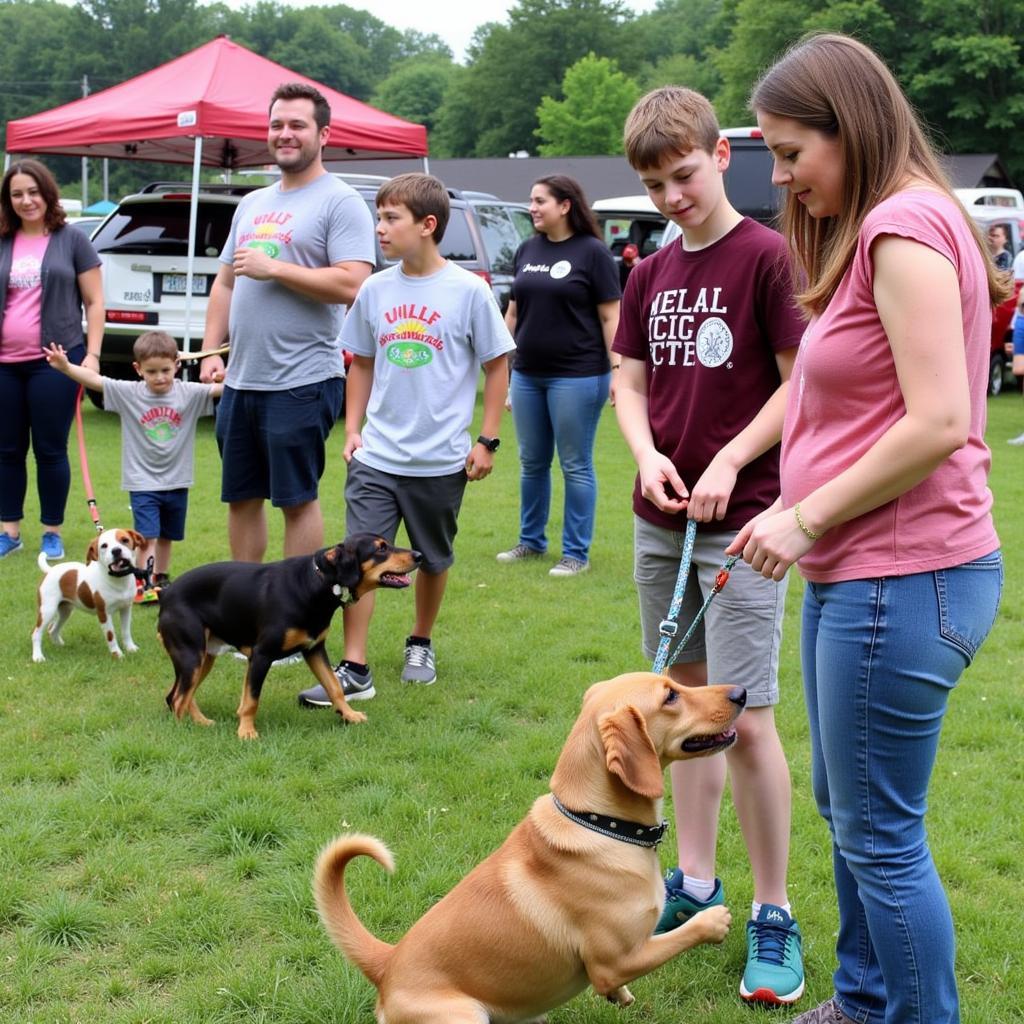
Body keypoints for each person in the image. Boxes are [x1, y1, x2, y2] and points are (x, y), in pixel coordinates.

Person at [731, 34, 1005, 1024]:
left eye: (793, 151)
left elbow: (937, 420)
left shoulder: (901, 228)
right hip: (863, 574)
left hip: (904, 577)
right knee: (847, 815)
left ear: (850, 129)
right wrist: (786, 501)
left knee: (880, 835)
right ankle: (859, 1003)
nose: (781, 175)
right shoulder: (882, 224)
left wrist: (802, 513)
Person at [612, 86, 806, 1007]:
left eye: (683, 175)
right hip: (665, 524)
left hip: (748, 523)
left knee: (746, 717)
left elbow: (798, 384)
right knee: (683, 718)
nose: (672, 198)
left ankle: (773, 910)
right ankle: (692, 883)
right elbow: (629, 381)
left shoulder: (767, 257)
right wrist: (648, 456)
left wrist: (730, 460)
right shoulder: (650, 272)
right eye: (654, 185)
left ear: (722, 156)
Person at [297, 173, 514, 707]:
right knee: (355, 560)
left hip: (440, 461)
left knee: (433, 558)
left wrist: (487, 440)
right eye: (379, 217)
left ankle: (421, 640)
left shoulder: (468, 291)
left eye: (391, 218)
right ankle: (354, 667)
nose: (380, 229)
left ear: (427, 224)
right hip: (377, 457)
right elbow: (362, 364)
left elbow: (497, 365)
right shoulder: (375, 289)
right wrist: (351, 430)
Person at [198, 81, 375, 566]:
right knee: (241, 497)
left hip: (302, 379)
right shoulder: (252, 204)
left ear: (324, 134)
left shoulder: (341, 202)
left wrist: (275, 268)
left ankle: (295, 616)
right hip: (241, 381)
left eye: (297, 124)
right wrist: (212, 350)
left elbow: (353, 284)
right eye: (277, 124)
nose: (285, 133)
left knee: (296, 499)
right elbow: (226, 285)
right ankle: (247, 613)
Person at [496, 175, 621, 577]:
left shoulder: (593, 253)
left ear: (565, 205)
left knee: (575, 464)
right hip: (528, 374)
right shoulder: (527, 249)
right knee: (531, 461)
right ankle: (531, 542)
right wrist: (499, 364)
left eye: (539, 201)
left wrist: (618, 370)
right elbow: (513, 314)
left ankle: (575, 554)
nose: (532, 207)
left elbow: (610, 316)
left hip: (579, 375)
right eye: (531, 200)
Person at [43, 331, 222, 600]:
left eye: (165, 370)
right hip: (142, 482)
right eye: (152, 372)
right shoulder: (130, 393)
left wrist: (227, 374)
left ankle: (161, 577)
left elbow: (225, 387)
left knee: (167, 536)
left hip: (178, 480)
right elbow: (96, 380)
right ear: (138, 369)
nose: (160, 377)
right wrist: (66, 367)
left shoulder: (190, 393)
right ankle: (145, 582)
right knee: (147, 536)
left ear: (177, 364)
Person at [0, 159, 103, 561]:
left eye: (32, 192)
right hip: (4, 365)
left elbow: (95, 303)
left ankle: (51, 531)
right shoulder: (4, 238)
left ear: (47, 193)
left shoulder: (72, 239)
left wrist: (92, 356)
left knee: (49, 449)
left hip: (56, 362)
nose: (26, 201)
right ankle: (9, 530)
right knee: (7, 449)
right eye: (16, 194)